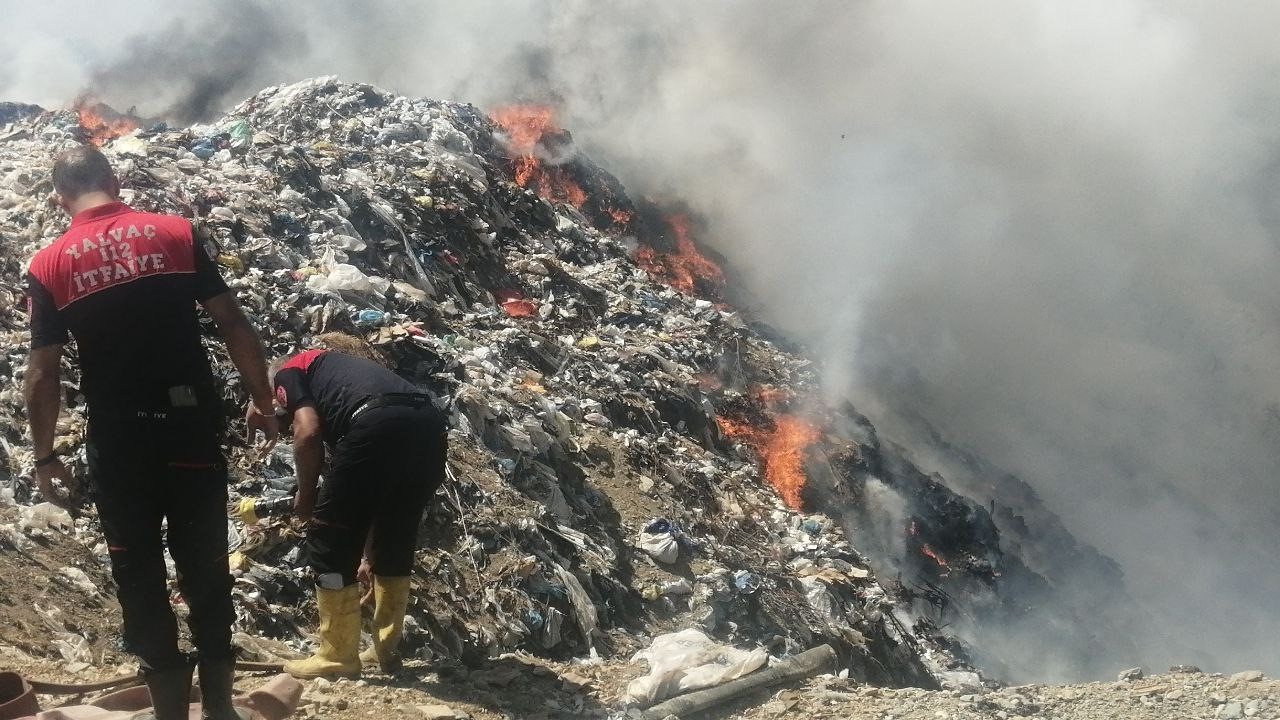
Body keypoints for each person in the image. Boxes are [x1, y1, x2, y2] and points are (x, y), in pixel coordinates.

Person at [24, 146, 278, 720]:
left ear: (60, 197)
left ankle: (169, 713)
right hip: (189, 430)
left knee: (137, 572)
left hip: (120, 445)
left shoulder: (49, 265)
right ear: (114, 180)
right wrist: (264, 401)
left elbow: (44, 372)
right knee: (206, 565)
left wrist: (45, 456)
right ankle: (219, 709)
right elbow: (232, 322)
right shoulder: (175, 233)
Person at [269, 348, 447, 678]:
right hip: (430, 427)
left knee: (328, 539)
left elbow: (307, 431)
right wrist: (368, 556)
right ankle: (385, 651)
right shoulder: (344, 377)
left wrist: (306, 497)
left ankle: (337, 655)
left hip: (377, 424)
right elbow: (366, 500)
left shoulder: (290, 371)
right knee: (395, 535)